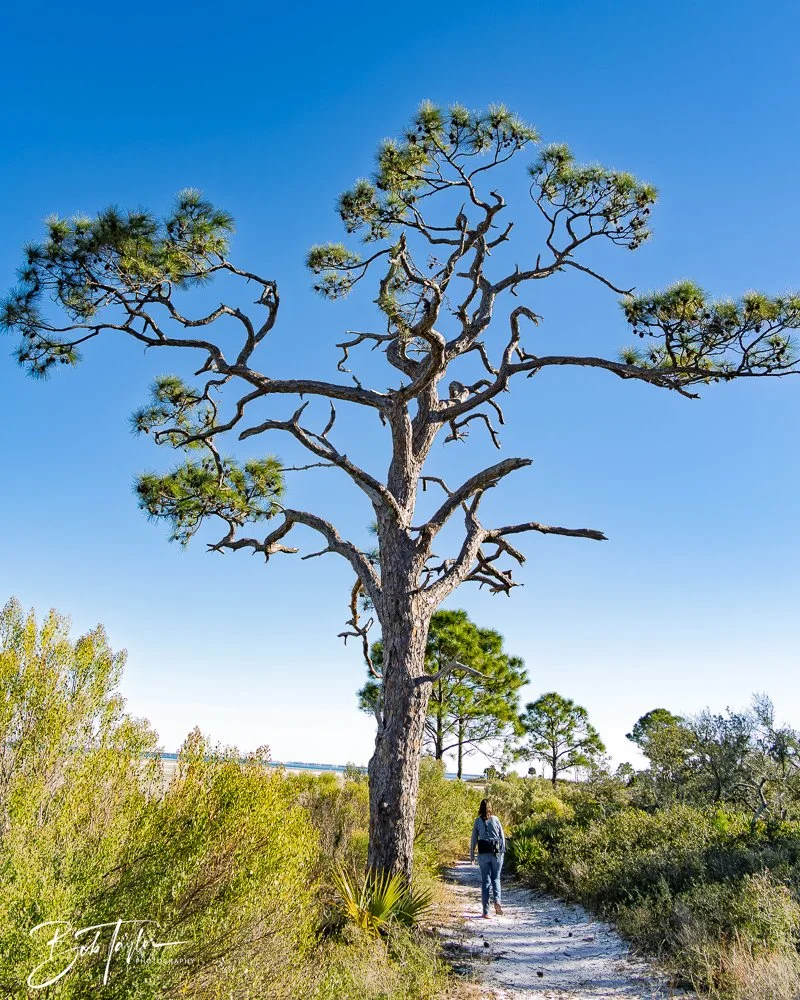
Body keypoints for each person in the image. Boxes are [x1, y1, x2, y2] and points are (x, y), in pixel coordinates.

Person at [469, 799, 506, 918]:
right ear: (490, 807)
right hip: (496, 852)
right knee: (496, 878)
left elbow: (474, 839)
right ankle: (497, 901)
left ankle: (486, 911)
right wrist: (503, 851)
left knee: (485, 881)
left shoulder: (477, 821)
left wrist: (472, 855)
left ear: (480, 808)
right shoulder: (496, 819)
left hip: (483, 852)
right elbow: (502, 837)